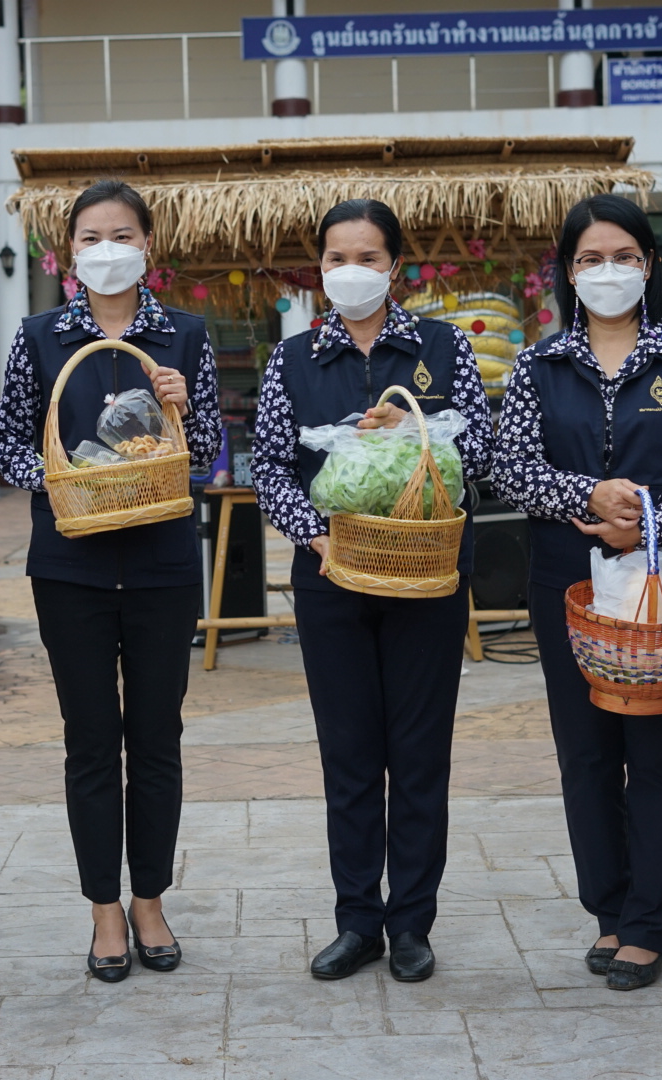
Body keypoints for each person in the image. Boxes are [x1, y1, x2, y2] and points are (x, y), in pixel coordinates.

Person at [493, 194, 662, 991]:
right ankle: (609, 907)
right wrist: (588, 495)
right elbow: (510, 466)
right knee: (587, 752)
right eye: (591, 259)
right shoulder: (539, 365)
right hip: (567, 580)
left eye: (624, 257)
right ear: (568, 273)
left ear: (649, 264)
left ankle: (649, 925)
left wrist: (648, 517)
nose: (609, 271)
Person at [252, 199, 492, 983]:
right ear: (319, 268)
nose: (350, 271)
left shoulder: (442, 347)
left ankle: (412, 923)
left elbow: (480, 452)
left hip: (428, 575)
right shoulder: (293, 359)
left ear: (395, 266)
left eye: (367, 257)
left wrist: (418, 436)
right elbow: (271, 467)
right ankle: (357, 921)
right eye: (336, 258)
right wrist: (314, 534)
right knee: (349, 756)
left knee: (419, 755)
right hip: (332, 577)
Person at [0, 180, 221, 982]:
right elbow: (8, 444)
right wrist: (65, 478)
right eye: (91, 237)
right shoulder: (39, 336)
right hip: (72, 568)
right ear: (69, 252)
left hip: (162, 565)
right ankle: (103, 910)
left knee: (157, 738)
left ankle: (150, 899)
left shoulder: (184, 335)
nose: (107, 249)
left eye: (122, 235)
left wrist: (184, 411)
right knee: (90, 742)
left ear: (147, 246)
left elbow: (210, 453)